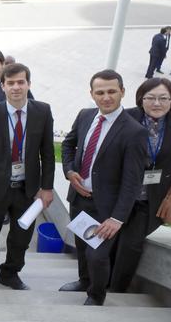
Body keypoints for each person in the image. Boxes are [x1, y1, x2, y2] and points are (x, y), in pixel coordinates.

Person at [59, 69, 147, 305]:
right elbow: (68, 145)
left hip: (107, 207)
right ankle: (84, 281)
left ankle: (96, 295)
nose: (106, 97)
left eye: (112, 91)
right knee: (81, 245)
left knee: (97, 255)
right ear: (92, 94)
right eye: (100, 92)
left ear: (122, 92)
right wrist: (69, 172)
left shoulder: (134, 132)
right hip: (79, 199)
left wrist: (117, 219)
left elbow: (132, 181)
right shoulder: (86, 115)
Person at [0, 64, 55, 291]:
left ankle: (10, 273)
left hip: (28, 190)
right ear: (3, 86)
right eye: (11, 83)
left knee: (21, 237)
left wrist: (47, 188)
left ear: (29, 84)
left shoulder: (43, 112)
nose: (16, 87)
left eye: (21, 82)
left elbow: (47, 153)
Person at [112, 77, 171, 292]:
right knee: (109, 240)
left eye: (164, 98)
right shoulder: (126, 118)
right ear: (141, 99)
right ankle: (95, 281)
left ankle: (116, 290)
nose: (157, 103)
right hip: (120, 194)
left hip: (152, 197)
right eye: (151, 98)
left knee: (130, 244)